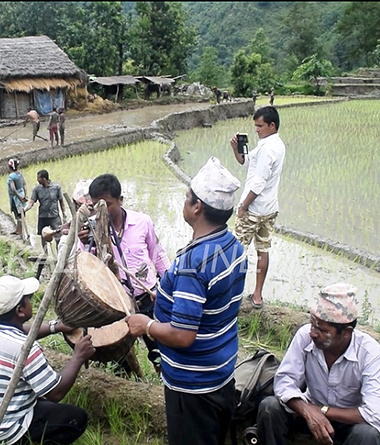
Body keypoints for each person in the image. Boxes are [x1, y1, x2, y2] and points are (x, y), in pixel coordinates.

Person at [126, 156, 246, 445]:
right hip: (221, 371)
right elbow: (213, 303)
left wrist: (147, 325)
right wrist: (168, 294)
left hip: (192, 385)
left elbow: (182, 335)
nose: (185, 201)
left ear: (197, 207)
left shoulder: (193, 263)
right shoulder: (233, 246)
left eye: (187, 197)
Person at [0, 275, 95, 445]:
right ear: (20, 310)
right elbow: (55, 393)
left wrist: (56, 326)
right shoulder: (25, 350)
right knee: (76, 419)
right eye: (28, 299)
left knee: (35, 393)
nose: (31, 302)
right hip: (0, 430)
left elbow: (24, 330)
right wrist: (78, 356)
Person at [257, 283, 380, 445]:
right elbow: (284, 382)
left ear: (346, 333)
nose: (313, 333)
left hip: (347, 423)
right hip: (307, 411)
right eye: (313, 325)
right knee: (270, 407)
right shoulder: (305, 336)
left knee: (366, 435)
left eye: (323, 330)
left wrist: (321, 411)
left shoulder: (369, 353)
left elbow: (374, 415)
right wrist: (307, 410)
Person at [79, 173, 171, 374]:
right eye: (96, 205)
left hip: (146, 297)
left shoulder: (142, 222)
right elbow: (84, 266)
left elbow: (157, 254)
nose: (102, 211)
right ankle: (128, 382)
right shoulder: (91, 230)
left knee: (159, 350)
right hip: (114, 304)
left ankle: (163, 382)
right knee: (118, 353)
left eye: (108, 204)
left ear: (120, 200)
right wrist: (86, 244)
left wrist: (170, 285)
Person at [230, 106, 286, 310]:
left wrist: (243, 206)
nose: (257, 130)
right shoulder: (275, 145)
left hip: (254, 209)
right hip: (270, 208)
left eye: (260, 126)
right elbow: (246, 162)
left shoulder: (268, 149)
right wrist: (236, 150)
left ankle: (231, 295)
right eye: (255, 126)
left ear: (272, 125)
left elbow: (259, 182)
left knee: (236, 251)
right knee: (263, 250)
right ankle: (257, 295)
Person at [24, 169, 67, 251]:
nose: (37, 180)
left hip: (54, 216)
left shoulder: (56, 187)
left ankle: (59, 254)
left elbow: (61, 201)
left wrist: (64, 214)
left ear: (44, 179)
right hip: (43, 216)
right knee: (43, 236)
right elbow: (31, 202)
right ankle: (45, 254)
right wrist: (25, 209)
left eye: (39, 178)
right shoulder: (37, 189)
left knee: (58, 236)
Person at [6, 158, 27, 237]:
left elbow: (13, 189)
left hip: (15, 198)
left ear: (10, 167)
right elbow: (24, 184)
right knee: (21, 213)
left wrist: (19, 197)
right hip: (22, 194)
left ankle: (20, 231)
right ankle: (18, 230)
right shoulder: (19, 174)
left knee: (17, 214)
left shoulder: (11, 176)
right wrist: (24, 195)